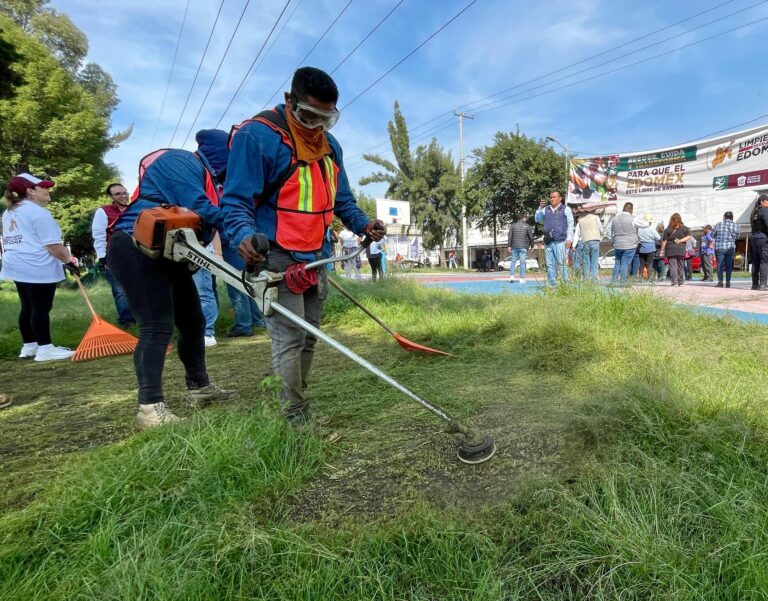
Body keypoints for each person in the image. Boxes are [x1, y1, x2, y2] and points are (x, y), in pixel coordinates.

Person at [221, 66, 386, 426]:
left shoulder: (331, 147)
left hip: (317, 255)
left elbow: (342, 201)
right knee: (290, 337)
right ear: (289, 101)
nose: (316, 126)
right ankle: (293, 416)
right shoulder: (258, 137)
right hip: (276, 254)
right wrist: (242, 236)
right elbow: (235, 201)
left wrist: (364, 223)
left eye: (327, 119)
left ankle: (295, 396)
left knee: (310, 335)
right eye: (309, 116)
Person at [108, 129, 236, 428]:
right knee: (156, 326)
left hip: (167, 250)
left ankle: (200, 386)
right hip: (134, 246)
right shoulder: (180, 162)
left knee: (193, 320)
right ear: (222, 154)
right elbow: (199, 206)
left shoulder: (214, 182)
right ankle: (150, 408)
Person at [1, 173, 78, 362]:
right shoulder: (38, 213)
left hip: (16, 264)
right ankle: (46, 349)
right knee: (41, 307)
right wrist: (68, 261)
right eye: (43, 187)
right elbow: (52, 246)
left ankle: (30, 346)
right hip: (36, 265)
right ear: (31, 191)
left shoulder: (10, 211)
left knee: (27, 306)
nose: (47, 189)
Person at [91, 183, 135, 327]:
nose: (123, 196)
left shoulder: (134, 210)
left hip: (136, 255)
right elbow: (98, 235)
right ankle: (127, 320)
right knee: (120, 290)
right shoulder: (103, 212)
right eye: (118, 194)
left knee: (141, 288)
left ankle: (144, 317)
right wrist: (103, 257)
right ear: (110, 197)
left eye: (124, 192)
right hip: (114, 255)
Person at [535, 191, 574, 287]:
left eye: (555, 197)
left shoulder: (566, 209)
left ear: (560, 198)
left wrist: (569, 239)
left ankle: (566, 284)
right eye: (551, 197)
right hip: (548, 241)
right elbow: (537, 219)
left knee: (562, 263)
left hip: (561, 240)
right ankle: (552, 284)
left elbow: (570, 224)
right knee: (549, 264)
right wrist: (540, 208)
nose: (552, 199)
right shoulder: (545, 209)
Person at [609, 202, 638, 284]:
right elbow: (644, 224)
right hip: (630, 245)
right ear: (631, 210)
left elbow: (608, 230)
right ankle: (623, 282)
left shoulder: (614, 219)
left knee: (618, 262)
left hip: (617, 244)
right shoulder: (633, 219)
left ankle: (613, 281)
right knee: (625, 263)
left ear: (623, 208)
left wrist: (613, 240)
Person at [659, 213, 691, 286]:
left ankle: (674, 282)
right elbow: (689, 236)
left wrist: (662, 251)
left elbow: (664, 241)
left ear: (671, 220)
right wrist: (680, 241)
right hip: (681, 248)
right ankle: (681, 282)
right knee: (680, 265)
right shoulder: (685, 228)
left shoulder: (667, 229)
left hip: (670, 249)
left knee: (673, 266)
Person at [711, 210, 740, 288]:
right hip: (730, 248)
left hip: (719, 247)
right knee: (729, 265)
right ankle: (728, 282)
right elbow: (737, 237)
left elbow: (712, 235)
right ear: (732, 217)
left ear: (724, 217)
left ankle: (720, 282)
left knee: (720, 265)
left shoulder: (718, 224)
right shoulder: (736, 225)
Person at [506, 213, 534, 283]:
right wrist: (532, 245)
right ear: (523, 218)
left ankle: (511, 277)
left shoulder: (513, 226)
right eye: (526, 218)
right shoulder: (527, 226)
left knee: (513, 261)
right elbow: (531, 237)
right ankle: (521, 279)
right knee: (522, 262)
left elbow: (510, 236)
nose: (526, 219)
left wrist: (509, 246)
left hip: (514, 246)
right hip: (523, 246)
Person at [749, 193, 768, 290]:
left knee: (755, 262)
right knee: (764, 261)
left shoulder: (753, 213)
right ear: (762, 202)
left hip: (754, 238)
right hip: (762, 238)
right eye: (767, 201)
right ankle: (763, 285)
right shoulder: (765, 210)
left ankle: (755, 284)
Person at [577, 211, 603, 281]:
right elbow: (601, 229)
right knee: (594, 260)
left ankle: (586, 278)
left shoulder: (581, 220)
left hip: (586, 241)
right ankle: (594, 279)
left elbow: (579, 233)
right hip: (595, 240)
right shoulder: (595, 217)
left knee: (586, 261)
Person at [635, 213, 660, 282]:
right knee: (650, 263)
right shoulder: (651, 228)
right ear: (649, 221)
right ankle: (649, 278)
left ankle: (640, 278)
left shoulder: (639, 228)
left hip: (641, 248)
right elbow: (658, 237)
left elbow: (637, 237)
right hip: (651, 248)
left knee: (641, 264)